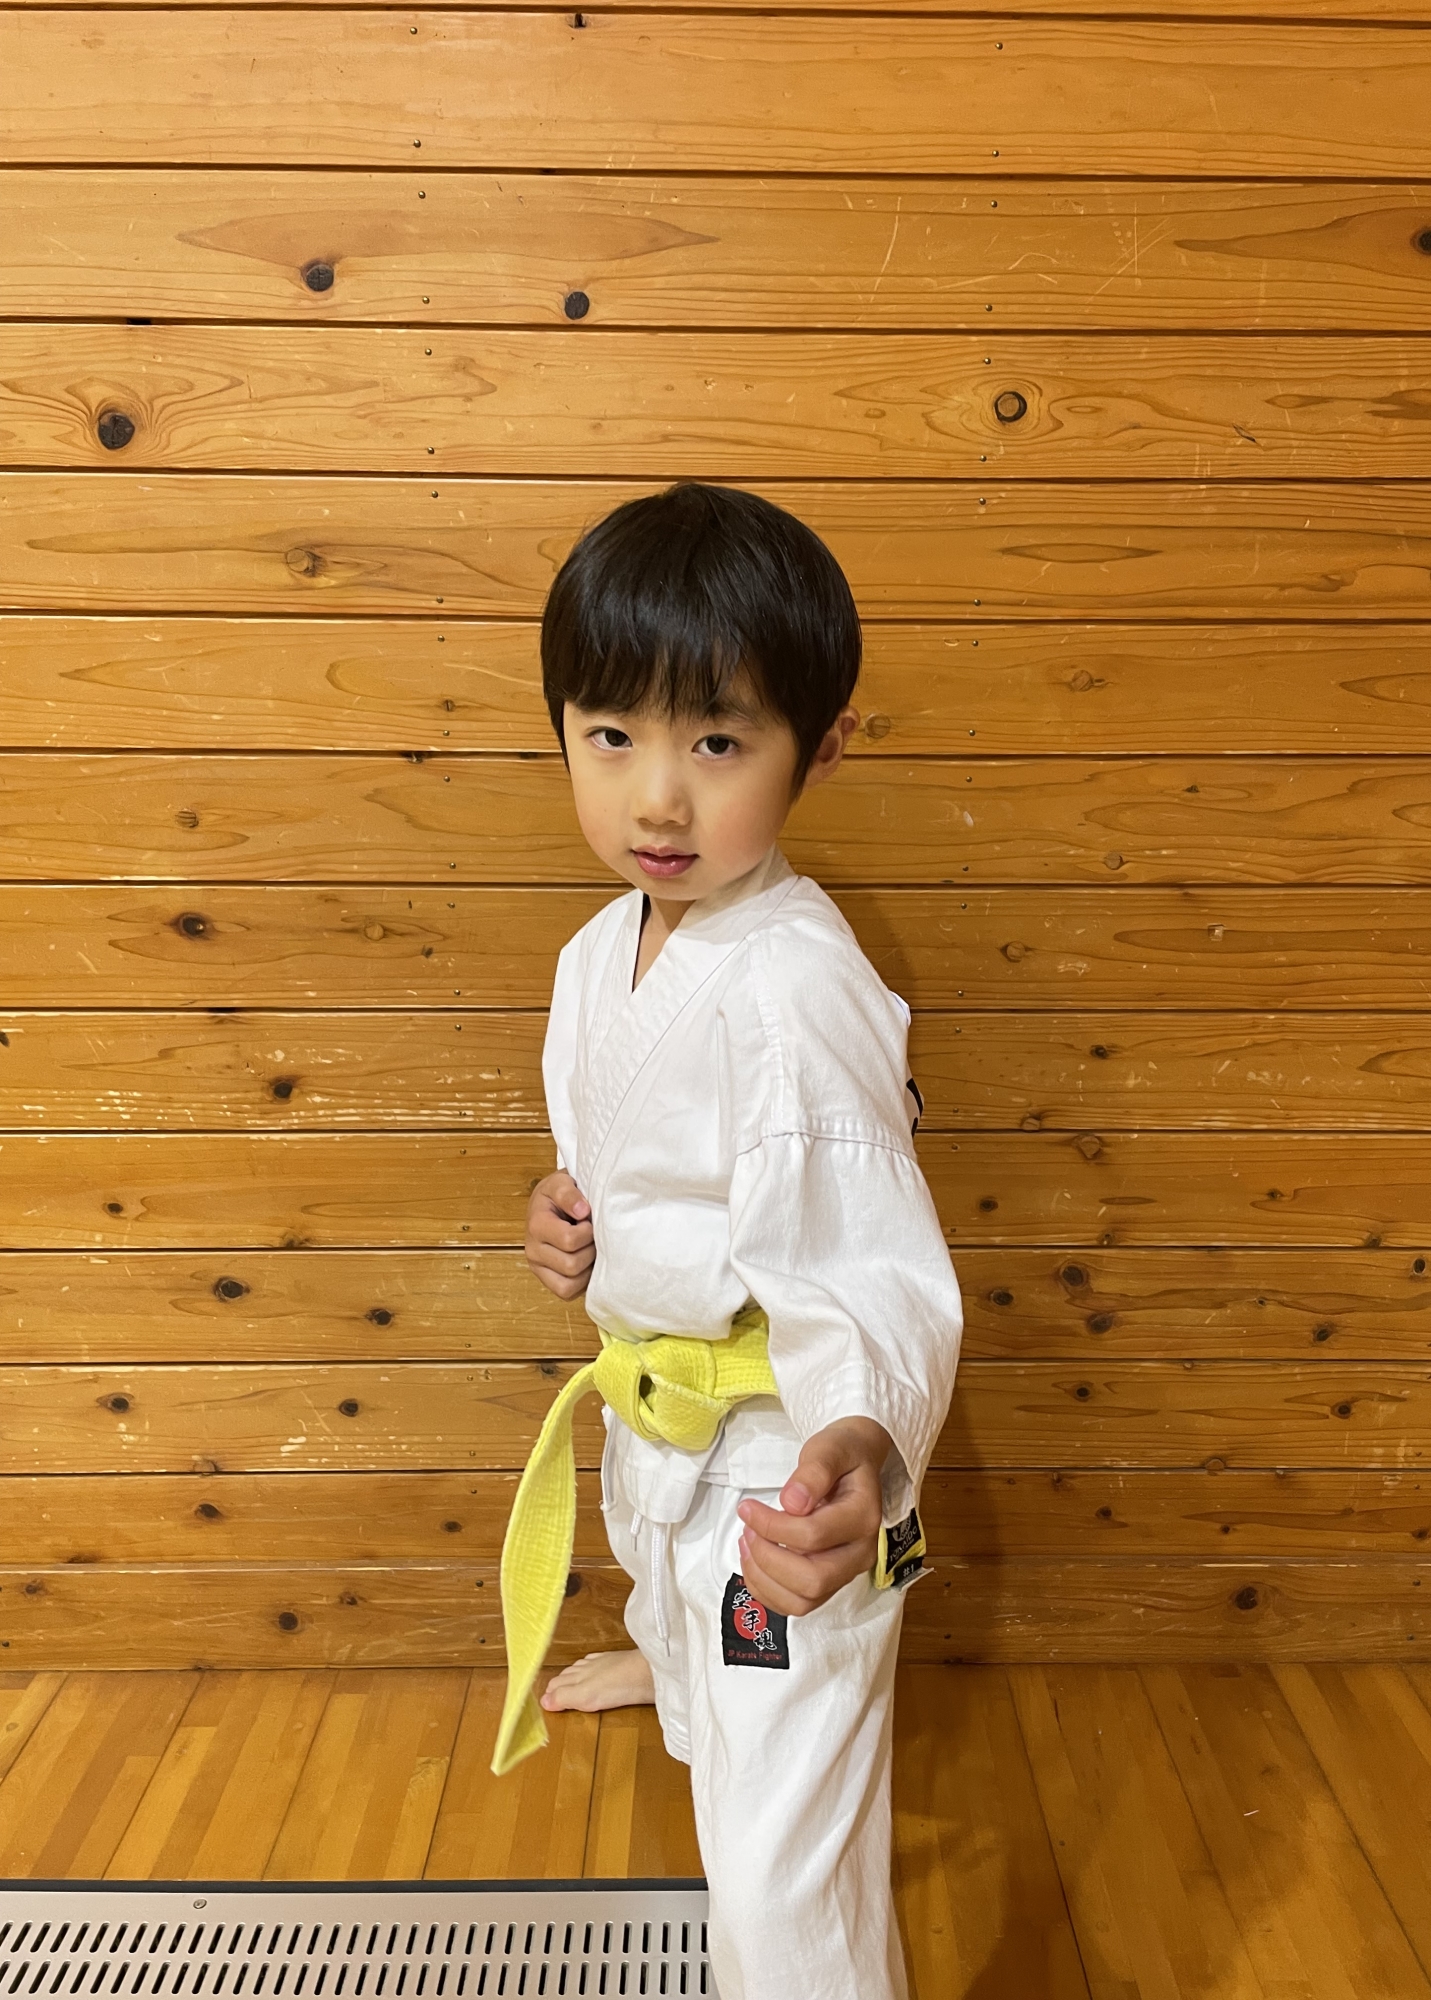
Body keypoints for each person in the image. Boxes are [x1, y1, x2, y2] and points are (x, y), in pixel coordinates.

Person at [494, 481, 963, 2000]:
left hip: (784, 1477)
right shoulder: (599, 951)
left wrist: (860, 1449)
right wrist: (572, 1217)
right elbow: (637, 1157)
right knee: (680, 1621)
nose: (656, 801)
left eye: (716, 743)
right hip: (659, 1429)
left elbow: (869, 1256)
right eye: (609, 736)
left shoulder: (793, 985)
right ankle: (686, 1666)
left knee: (778, 1861)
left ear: (817, 749)